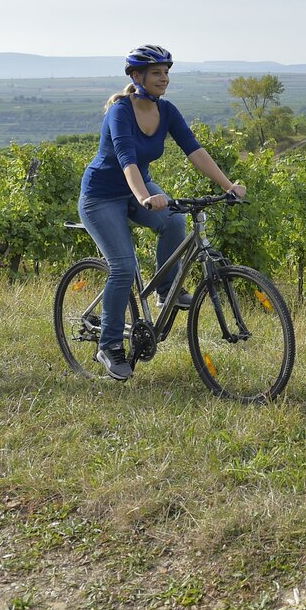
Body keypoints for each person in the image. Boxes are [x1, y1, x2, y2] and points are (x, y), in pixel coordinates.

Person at [78, 45, 245, 381]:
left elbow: (194, 150)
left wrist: (228, 185)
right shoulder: (120, 112)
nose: (164, 78)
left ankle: (165, 290)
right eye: (157, 73)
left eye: (166, 72)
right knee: (124, 267)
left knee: (175, 220)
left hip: (139, 188)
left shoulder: (166, 111)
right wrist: (143, 196)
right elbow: (126, 159)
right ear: (137, 77)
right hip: (102, 196)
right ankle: (109, 346)